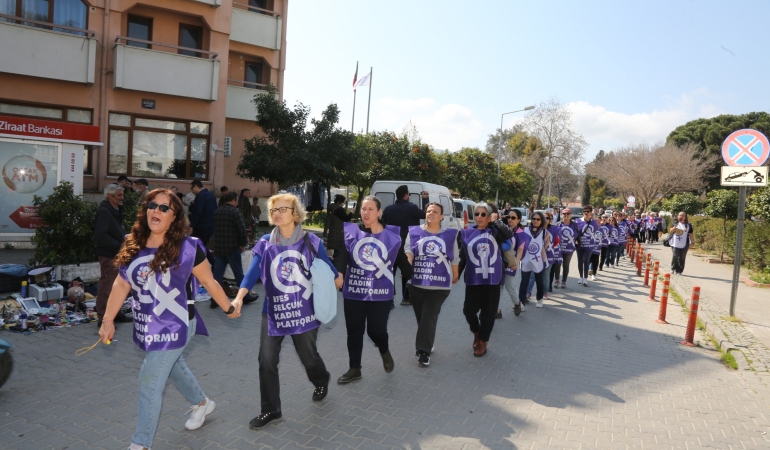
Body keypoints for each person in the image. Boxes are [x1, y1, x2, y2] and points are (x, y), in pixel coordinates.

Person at [98, 189, 240, 450]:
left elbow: (209, 281)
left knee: (149, 381)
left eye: (165, 208)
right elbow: (121, 283)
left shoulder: (188, 248)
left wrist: (229, 308)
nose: (157, 211)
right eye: (153, 205)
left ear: (175, 217)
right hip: (147, 323)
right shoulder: (132, 242)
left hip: (178, 323)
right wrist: (108, 320)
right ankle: (202, 404)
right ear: (145, 210)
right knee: (173, 367)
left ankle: (140, 444)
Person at [234, 193, 341, 429]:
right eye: (274, 210)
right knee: (266, 360)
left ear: (295, 213)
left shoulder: (312, 242)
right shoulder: (265, 242)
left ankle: (321, 378)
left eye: (283, 209)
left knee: (308, 357)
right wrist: (240, 297)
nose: (278, 213)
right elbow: (251, 274)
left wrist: (336, 277)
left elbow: (329, 270)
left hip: (304, 312)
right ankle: (270, 410)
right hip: (273, 312)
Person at [334, 196, 411, 383]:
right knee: (354, 330)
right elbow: (342, 255)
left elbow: (402, 262)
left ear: (379, 212)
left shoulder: (391, 237)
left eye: (370, 209)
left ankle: (384, 350)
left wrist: (412, 275)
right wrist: (340, 272)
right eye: (363, 209)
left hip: (381, 293)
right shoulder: (352, 233)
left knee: (376, 331)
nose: (366, 212)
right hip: (354, 291)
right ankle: (354, 369)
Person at [404, 202, 460, 367]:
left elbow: (455, 258)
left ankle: (423, 352)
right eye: (429, 211)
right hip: (417, 284)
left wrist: (455, 274)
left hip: (439, 286)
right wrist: (407, 269)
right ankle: (427, 341)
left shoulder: (449, 235)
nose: (431, 213)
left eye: (435, 211)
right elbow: (408, 252)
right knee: (422, 318)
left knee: (429, 316)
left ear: (442, 216)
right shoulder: (414, 232)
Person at [459, 202, 512, 356]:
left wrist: (495, 221)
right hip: (473, 278)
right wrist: (455, 274)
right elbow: (463, 256)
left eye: (483, 214)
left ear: (489, 217)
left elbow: (508, 234)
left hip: (493, 279)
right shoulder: (467, 233)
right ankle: (476, 331)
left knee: (488, 313)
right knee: (468, 310)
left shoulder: (495, 231)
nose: (479, 217)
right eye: (477, 214)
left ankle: (482, 341)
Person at [381, 185, 428, 306]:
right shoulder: (412, 208)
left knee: (390, 271)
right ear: (406, 195)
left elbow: (382, 225)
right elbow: (425, 215)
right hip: (407, 245)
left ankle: (389, 299)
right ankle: (406, 297)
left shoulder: (388, 209)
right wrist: (425, 200)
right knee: (407, 271)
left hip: (391, 245)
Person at [210, 191, 258, 307]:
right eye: (236, 201)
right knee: (239, 274)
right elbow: (241, 230)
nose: (237, 203)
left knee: (217, 275)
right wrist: (243, 244)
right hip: (232, 248)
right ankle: (244, 297)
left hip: (220, 247)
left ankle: (214, 299)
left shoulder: (217, 211)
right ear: (233, 201)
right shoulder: (235, 213)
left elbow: (214, 229)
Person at [93, 184, 131, 327]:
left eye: (122, 195)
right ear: (110, 196)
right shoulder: (104, 211)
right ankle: (103, 318)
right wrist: (119, 245)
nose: (122, 198)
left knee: (119, 286)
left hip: (118, 254)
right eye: (119, 195)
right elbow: (100, 236)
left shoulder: (115, 210)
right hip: (109, 254)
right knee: (107, 286)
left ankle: (116, 313)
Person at [518, 211, 549, 308]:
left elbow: (544, 247)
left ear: (541, 221)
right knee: (524, 282)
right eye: (534, 219)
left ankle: (539, 299)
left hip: (538, 260)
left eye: (538, 219)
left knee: (539, 282)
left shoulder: (545, 232)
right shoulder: (525, 230)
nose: (535, 221)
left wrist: (545, 260)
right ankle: (521, 303)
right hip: (526, 260)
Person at [500, 210, 527, 317]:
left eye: (513, 218)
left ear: (519, 220)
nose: (510, 219)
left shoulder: (521, 233)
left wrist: (515, 263)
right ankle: (497, 310)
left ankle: (517, 304)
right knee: (498, 286)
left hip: (512, 263)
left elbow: (520, 250)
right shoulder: (503, 229)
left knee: (510, 286)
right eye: (509, 217)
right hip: (500, 262)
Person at [189, 180, 217, 247]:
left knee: (198, 247)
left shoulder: (200, 196)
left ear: (195, 186)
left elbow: (197, 212)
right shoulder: (211, 195)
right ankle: (208, 257)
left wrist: (192, 225)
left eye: (191, 188)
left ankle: (207, 257)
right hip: (211, 225)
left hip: (201, 227)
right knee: (203, 246)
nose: (192, 191)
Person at [554, 208, 578, 288]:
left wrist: (577, 242)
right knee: (557, 264)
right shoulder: (558, 224)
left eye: (568, 214)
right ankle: (557, 279)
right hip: (559, 248)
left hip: (569, 248)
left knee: (566, 264)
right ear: (561, 215)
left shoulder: (574, 225)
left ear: (571, 215)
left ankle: (564, 281)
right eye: (564, 214)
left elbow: (577, 234)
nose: (566, 215)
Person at [575, 206, 598, 286]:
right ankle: (581, 277)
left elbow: (595, 232)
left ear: (591, 212)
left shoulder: (594, 222)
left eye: (588, 211)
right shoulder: (577, 221)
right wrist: (575, 240)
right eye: (584, 211)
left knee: (586, 260)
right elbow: (575, 232)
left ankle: (585, 278)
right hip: (580, 244)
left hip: (589, 245)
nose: (586, 212)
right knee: (580, 261)